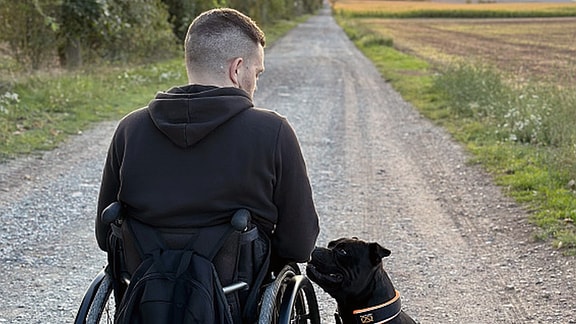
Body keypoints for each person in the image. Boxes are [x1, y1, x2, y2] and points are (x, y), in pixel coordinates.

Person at [94, 7, 319, 321]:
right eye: (257, 73)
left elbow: (106, 237)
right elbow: (298, 243)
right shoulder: (272, 132)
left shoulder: (130, 130)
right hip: (236, 299)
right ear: (237, 69)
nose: (255, 83)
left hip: (147, 300)